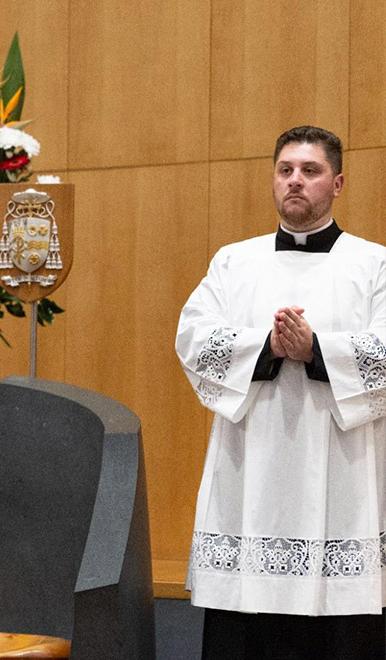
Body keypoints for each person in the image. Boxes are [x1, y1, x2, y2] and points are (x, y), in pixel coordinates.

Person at [177, 125, 386, 659]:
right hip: (249, 473)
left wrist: (317, 349)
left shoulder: (374, 264)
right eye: (285, 169)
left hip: (342, 479)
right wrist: (266, 346)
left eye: (310, 171)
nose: (295, 180)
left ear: (337, 184)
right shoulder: (233, 261)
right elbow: (193, 339)